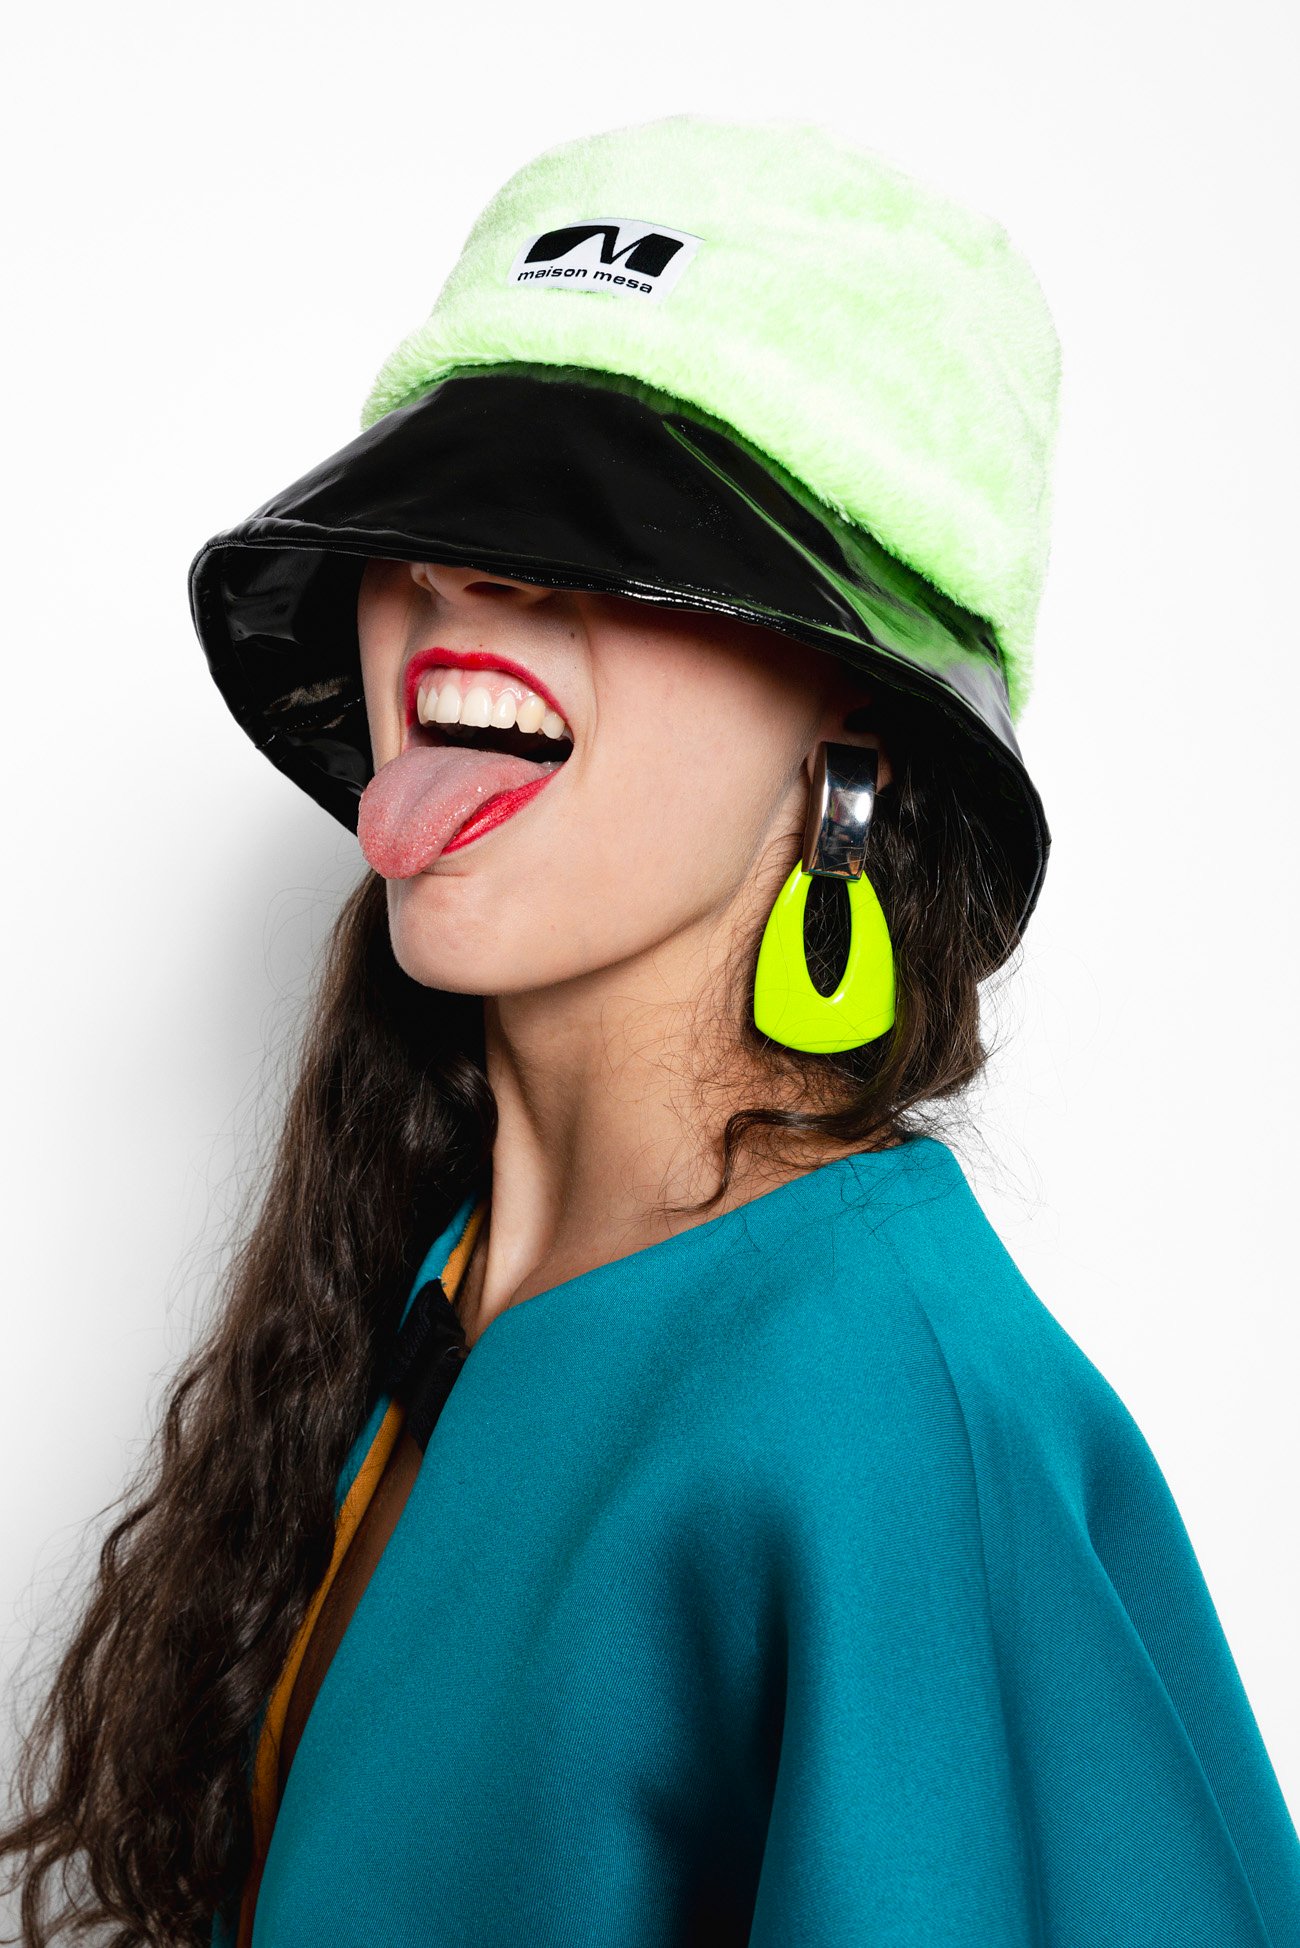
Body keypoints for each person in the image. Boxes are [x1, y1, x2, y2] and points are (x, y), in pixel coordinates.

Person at [3, 113, 1298, 1948]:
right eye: (444, 511)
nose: (468, 577)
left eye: (619, 529)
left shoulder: (888, 1421)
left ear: (857, 723)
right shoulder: (427, 1296)